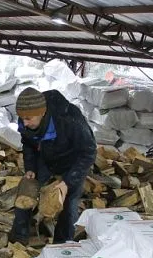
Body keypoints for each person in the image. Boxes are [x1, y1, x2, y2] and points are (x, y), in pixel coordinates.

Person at [10, 87, 96, 245]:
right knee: (26, 191)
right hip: (48, 157)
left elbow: (89, 152)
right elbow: (28, 143)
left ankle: (62, 245)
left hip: (73, 161)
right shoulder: (25, 119)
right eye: (22, 118)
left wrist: (67, 182)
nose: (24, 122)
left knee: (69, 206)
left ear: (42, 113)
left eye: (28, 118)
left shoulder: (70, 121)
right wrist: (30, 168)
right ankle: (18, 239)